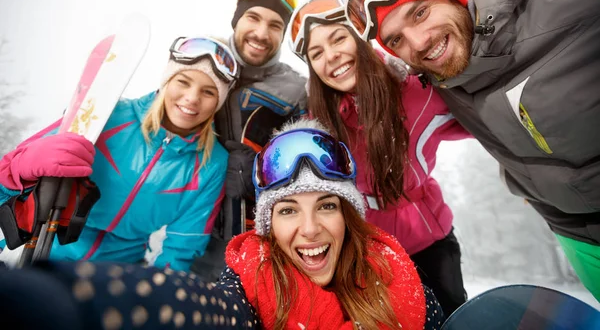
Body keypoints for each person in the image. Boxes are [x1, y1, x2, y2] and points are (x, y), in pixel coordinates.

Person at [0, 119, 445, 330]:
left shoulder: (398, 278)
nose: (309, 229)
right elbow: (194, 306)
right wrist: (65, 300)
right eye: (288, 210)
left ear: (348, 215)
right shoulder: (253, 282)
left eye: (326, 206)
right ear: (268, 223)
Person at [346, 0, 600, 300]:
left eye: (420, 13)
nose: (418, 43)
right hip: (574, 236)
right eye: (396, 40)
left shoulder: (572, 11)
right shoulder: (443, 81)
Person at [288, 0, 471, 315]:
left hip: (432, 241)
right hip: (369, 247)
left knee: (450, 317)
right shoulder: (318, 126)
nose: (330, 57)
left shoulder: (419, 91)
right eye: (316, 53)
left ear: (359, 37)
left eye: (338, 38)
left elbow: (483, 118)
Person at [0, 36, 237, 272]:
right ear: (167, 81)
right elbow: (6, 176)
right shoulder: (110, 116)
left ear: (218, 102)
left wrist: (160, 294)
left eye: (208, 92)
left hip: (117, 275)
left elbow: (183, 246)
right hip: (46, 248)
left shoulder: (212, 164)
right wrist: (27, 165)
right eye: (183, 82)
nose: (192, 98)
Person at [194, 0, 308, 280]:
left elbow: (306, 169)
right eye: (253, 18)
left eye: (275, 25)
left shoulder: (296, 90)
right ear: (237, 19)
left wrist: (261, 169)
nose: (261, 33)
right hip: (188, 235)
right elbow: (156, 119)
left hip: (257, 245)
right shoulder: (201, 61)